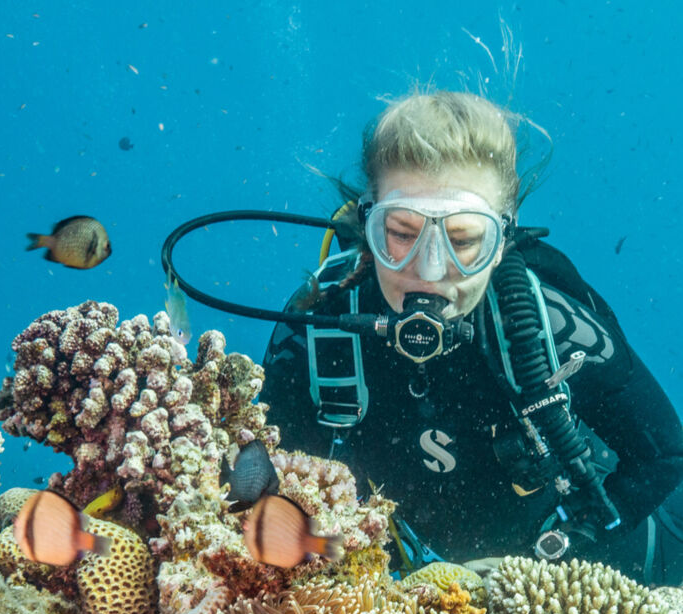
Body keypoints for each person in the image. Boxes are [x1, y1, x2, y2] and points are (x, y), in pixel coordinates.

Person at [260, 90, 683, 584]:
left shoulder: (554, 327)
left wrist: (561, 547)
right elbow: (266, 480)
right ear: (367, 224)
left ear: (502, 239)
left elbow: (667, 454)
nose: (431, 269)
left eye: (463, 240)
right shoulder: (318, 331)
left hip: (624, 566)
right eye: (400, 231)